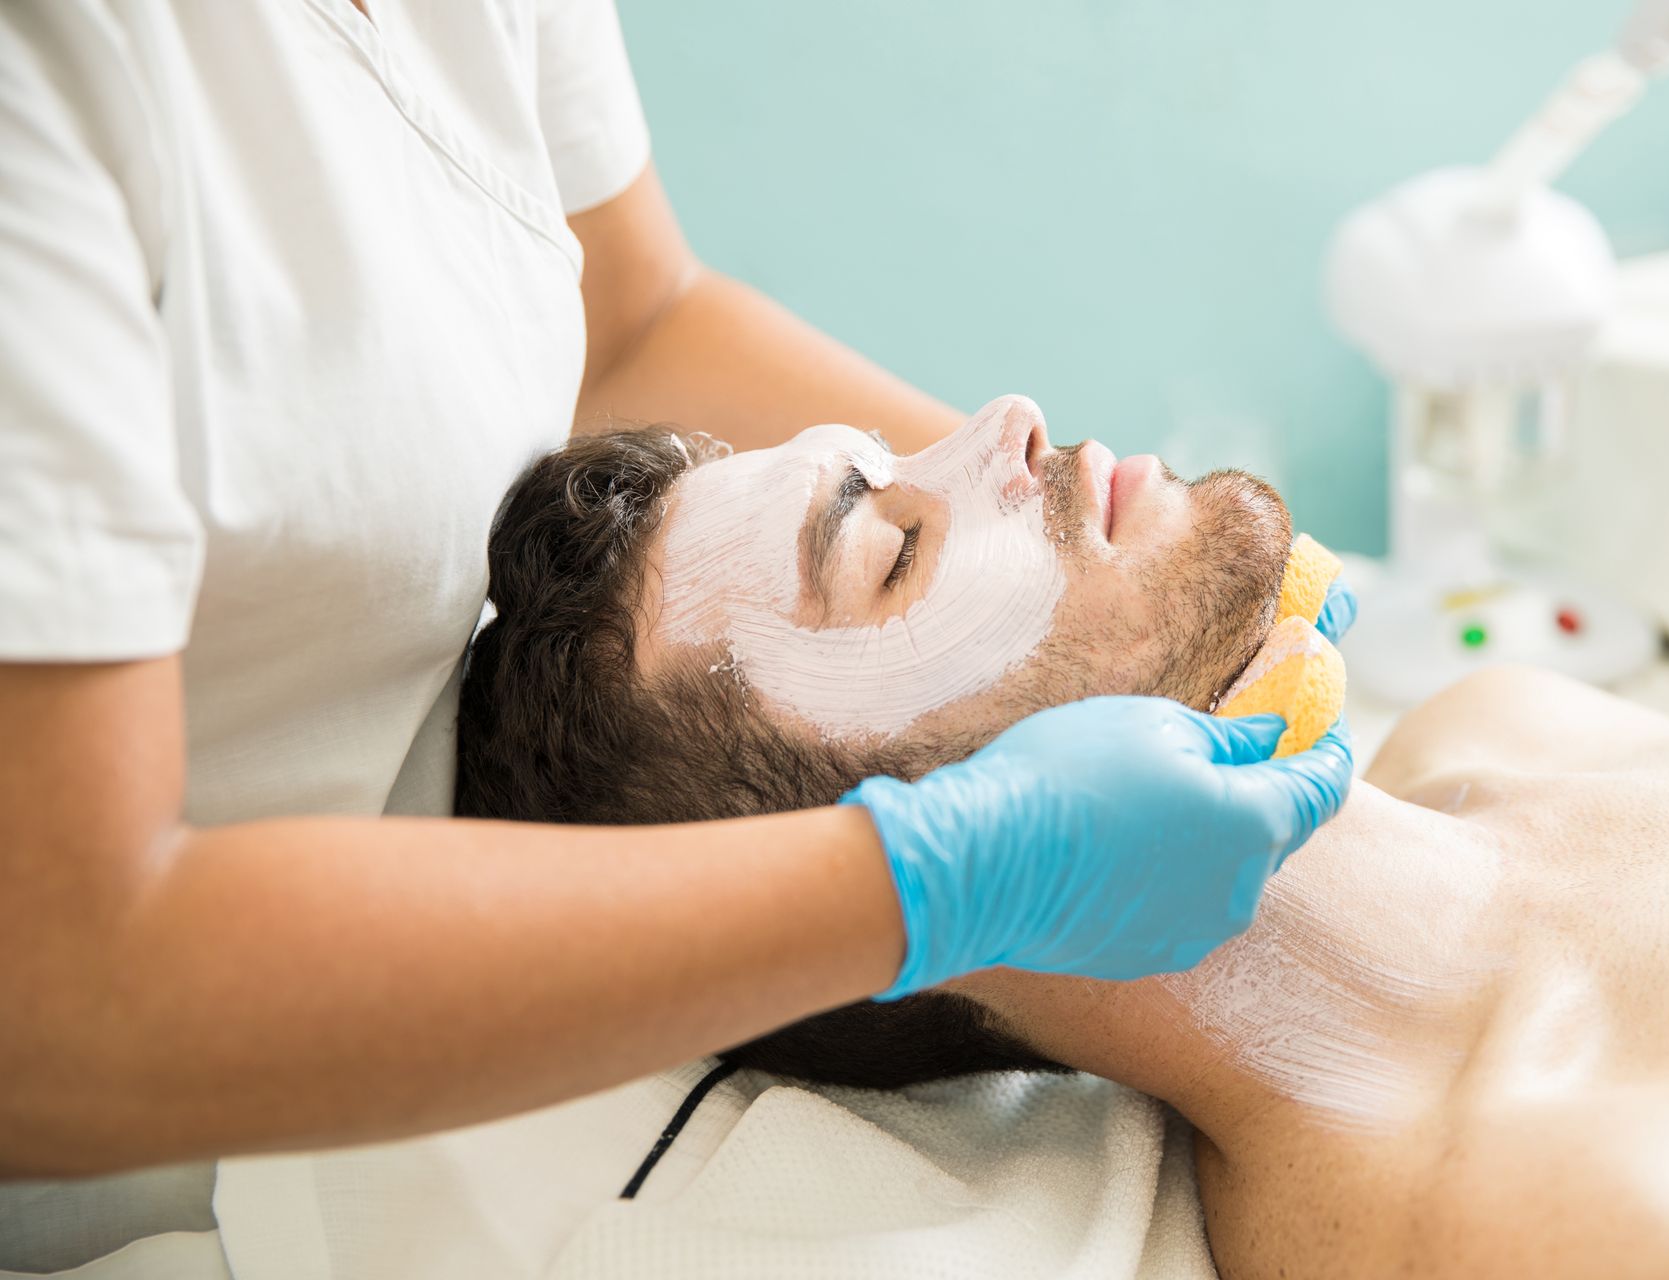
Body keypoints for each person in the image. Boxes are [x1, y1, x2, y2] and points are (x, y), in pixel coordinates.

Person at [0, 6, 1351, 1273]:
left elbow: (629, 321)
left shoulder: (1492, 745)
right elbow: (56, 1010)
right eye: (887, 554)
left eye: (882, 485)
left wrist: (1124, 568)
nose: (1013, 411)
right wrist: (939, 880)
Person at [460, 406, 1669, 1279]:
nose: (1009, 419)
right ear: (929, 861)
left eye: (898, 454)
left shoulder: (1512, 727)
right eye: (892, 548)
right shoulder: (1595, 1217)